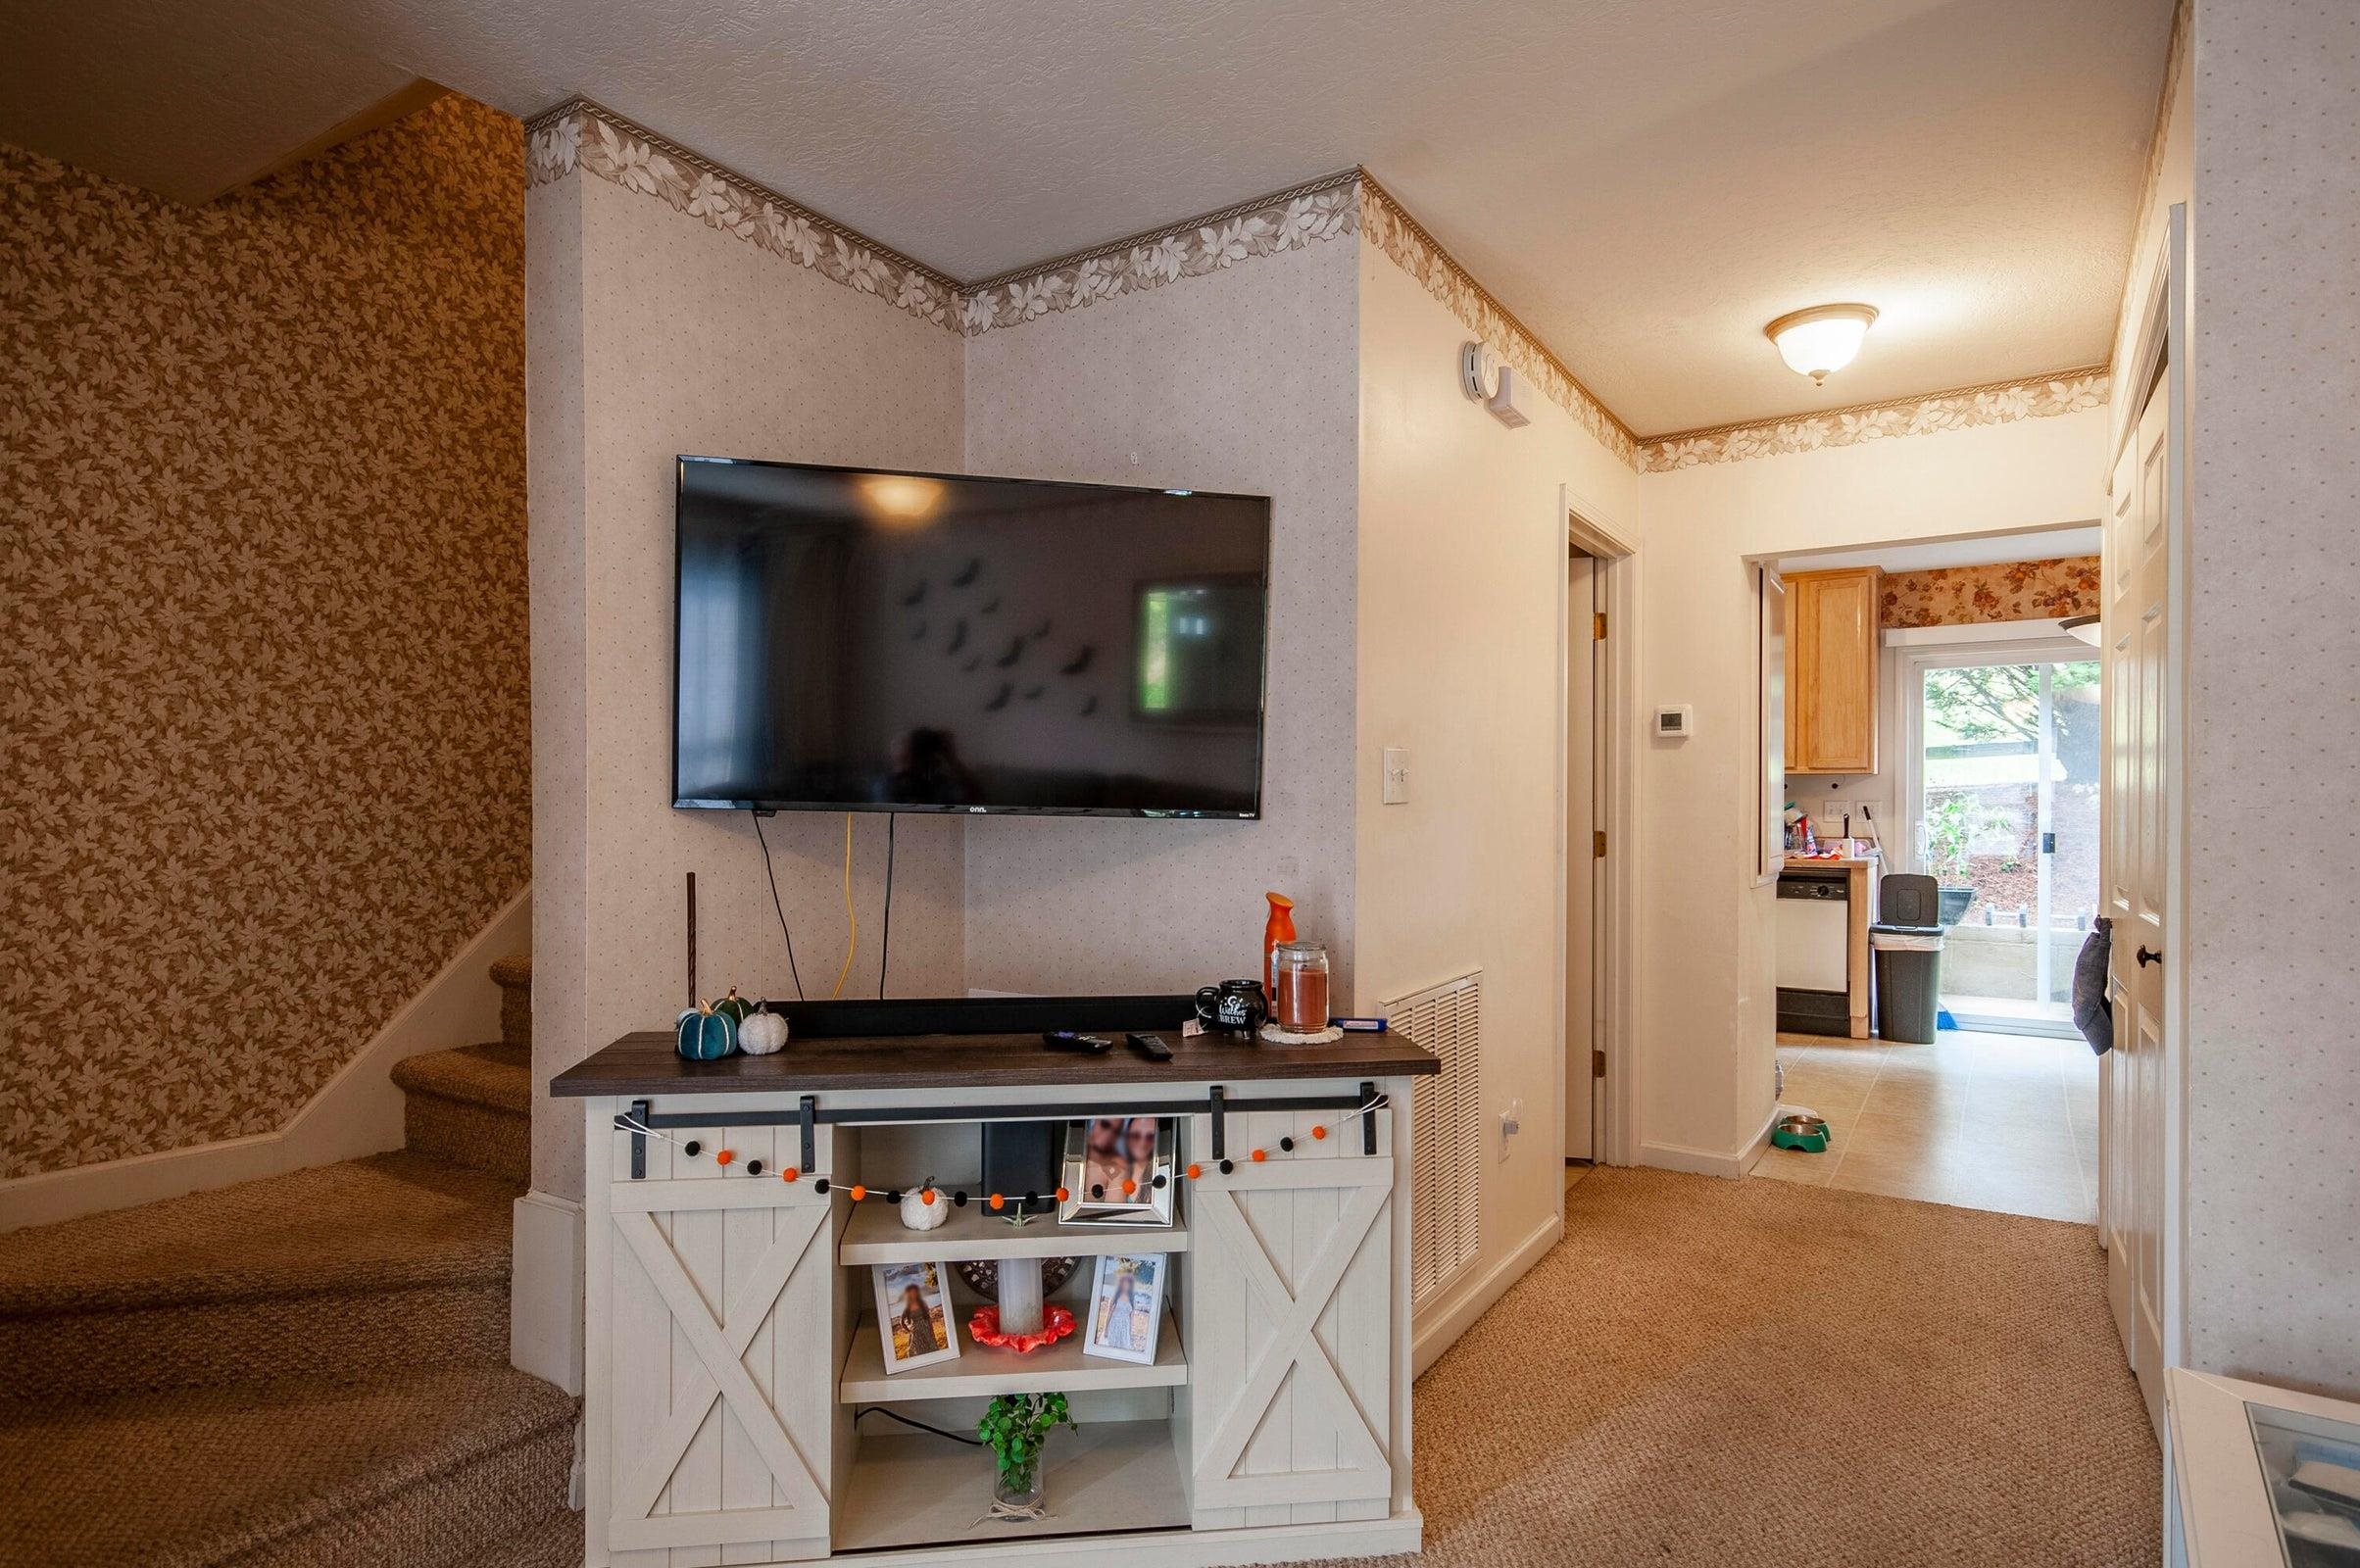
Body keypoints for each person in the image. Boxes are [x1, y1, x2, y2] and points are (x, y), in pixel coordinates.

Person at [894, 1279, 942, 1357]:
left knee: (931, 1347)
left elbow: (928, 1316)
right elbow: (901, 1321)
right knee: (918, 1350)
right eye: (911, 1293)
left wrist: (931, 1328)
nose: (913, 1294)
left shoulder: (923, 1303)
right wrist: (909, 1331)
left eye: (915, 1292)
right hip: (916, 1332)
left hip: (926, 1329)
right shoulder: (907, 1307)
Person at [1099, 1267, 1142, 1353]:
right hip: (1114, 1325)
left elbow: (1131, 1318)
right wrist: (1106, 1329)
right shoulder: (1115, 1297)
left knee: (1123, 1349)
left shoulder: (1132, 1300)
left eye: (1128, 1284)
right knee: (1111, 1347)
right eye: (1124, 1283)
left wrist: (1130, 1333)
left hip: (1125, 1327)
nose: (1125, 1286)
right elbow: (1109, 1314)